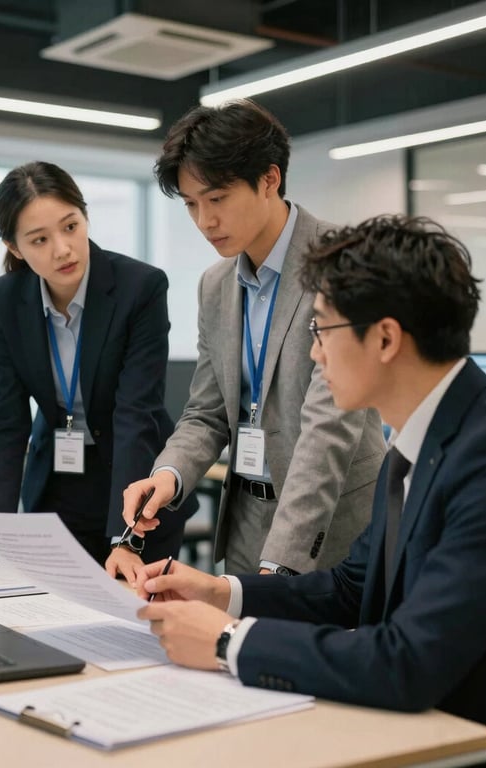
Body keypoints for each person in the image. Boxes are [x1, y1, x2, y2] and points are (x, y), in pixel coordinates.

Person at [135, 215, 486, 744]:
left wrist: (230, 642)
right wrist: (219, 592)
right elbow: (350, 588)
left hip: (471, 741)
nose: (315, 352)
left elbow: (407, 661)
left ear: (385, 338)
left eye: (322, 329)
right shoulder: (419, 439)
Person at [122, 99, 385, 575]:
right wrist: (168, 473)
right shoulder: (215, 285)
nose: (204, 221)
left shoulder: (343, 261)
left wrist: (278, 565)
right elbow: (206, 411)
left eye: (217, 199)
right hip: (244, 520)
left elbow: (330, 427)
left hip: (332, 530)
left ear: (269, 179)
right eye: (191, 205)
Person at [0, 161, 197, 577]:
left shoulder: (140, 287)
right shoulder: (6, 298)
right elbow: (7, 424)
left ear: (85, 217)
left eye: (70, 226)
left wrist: (127, 537)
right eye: (39, 239)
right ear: (14, 247)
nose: (62, 248)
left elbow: (135, 413)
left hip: (138, 486)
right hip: (58, 486)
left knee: (133, 625)